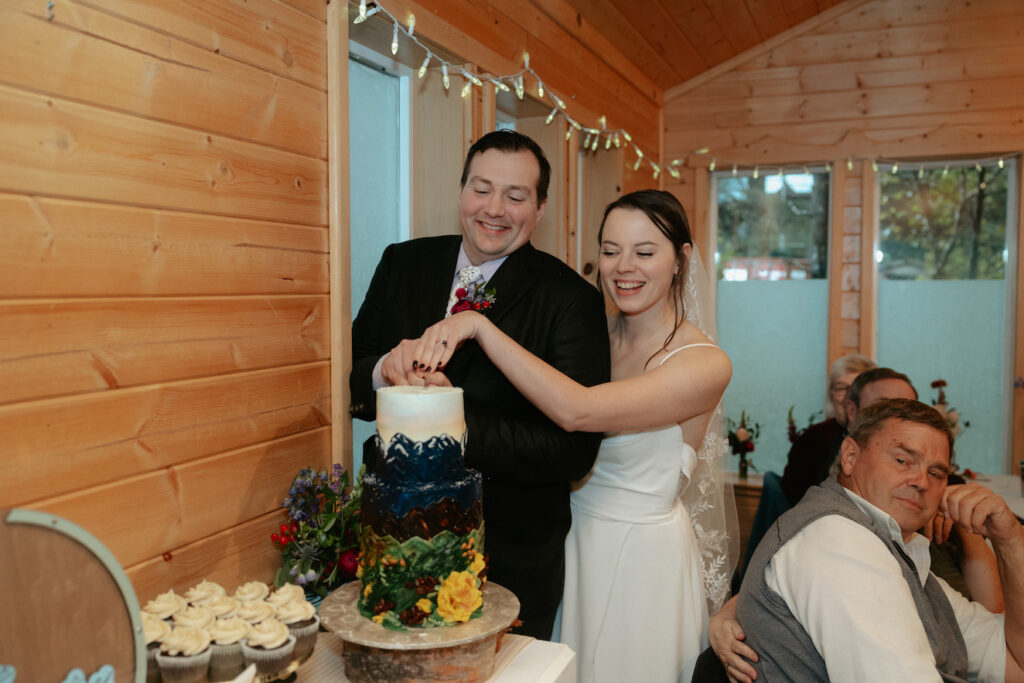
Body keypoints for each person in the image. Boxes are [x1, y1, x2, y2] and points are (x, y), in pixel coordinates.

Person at [410, 189, 737, 682]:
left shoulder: (705, 363)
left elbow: (577, 411)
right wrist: (440, 392)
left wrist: (476, 324)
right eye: (610, 251)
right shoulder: (589, 333)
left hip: (640, 563)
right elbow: (520, 408)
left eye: (645, 252)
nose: (624, 267)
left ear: (680, 259)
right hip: (563, 544)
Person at [349, 130, 611, 639]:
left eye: (515, 197)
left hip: (507, 553)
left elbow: (574, 452)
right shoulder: (402, 263)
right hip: (391, 538)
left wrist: (445, 420)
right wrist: (387, 369)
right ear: (461, 191)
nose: (494, 209)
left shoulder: (569, 299)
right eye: (481, 189)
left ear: (540, 210)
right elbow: (354, 378)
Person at [711, 399, 1021, 682]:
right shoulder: (840, 541)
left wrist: (1009, 537)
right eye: (902, 460)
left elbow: (1014, 664)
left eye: (937, 473)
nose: (922, 482)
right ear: (850, 457)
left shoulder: (899, 549)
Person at [781, 364, 909, 505]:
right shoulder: (826, 444)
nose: (898, 417)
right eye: (883, 407)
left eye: (908, 409)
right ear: (852, 410)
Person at [779, 354, 875, 505]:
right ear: (831, 393)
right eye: (841, 388)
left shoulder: (881, 437)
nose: (848, 397)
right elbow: (795, 492)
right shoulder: (813, 438)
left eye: (856, 389)